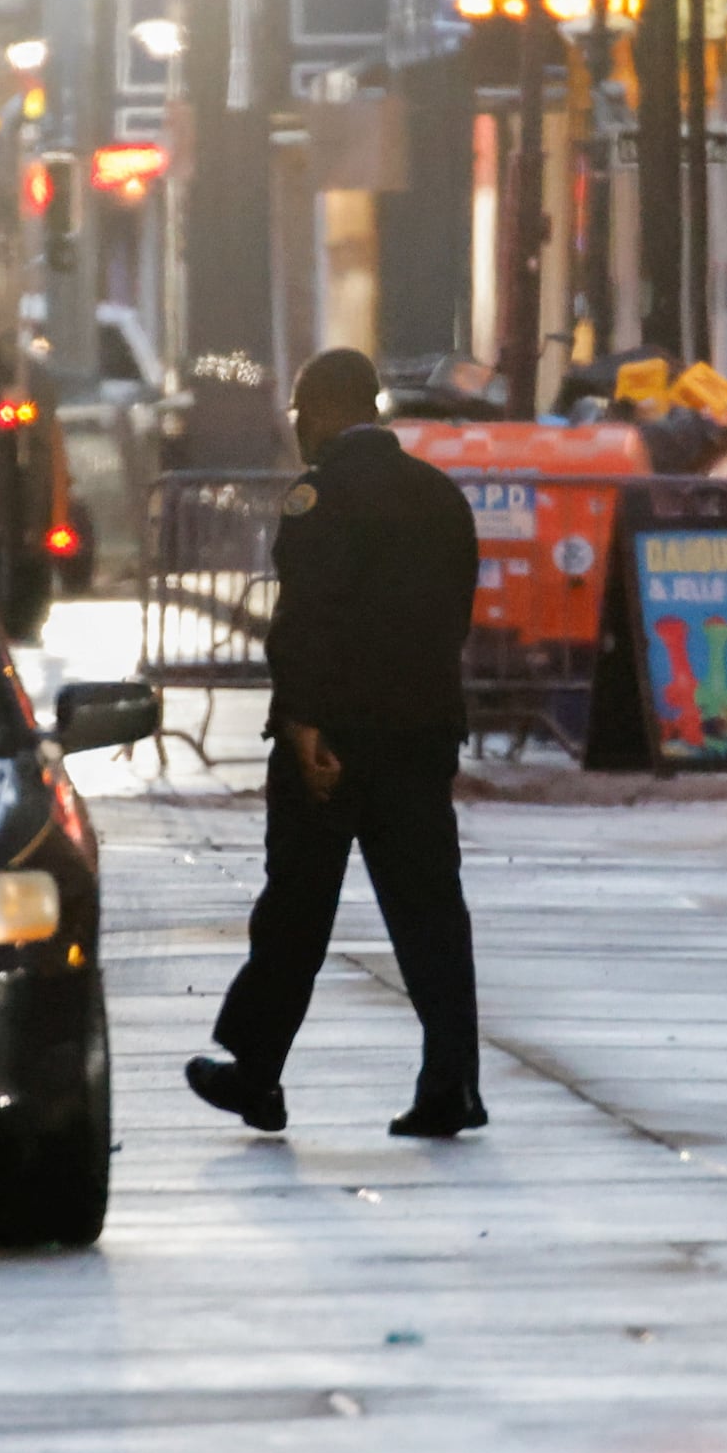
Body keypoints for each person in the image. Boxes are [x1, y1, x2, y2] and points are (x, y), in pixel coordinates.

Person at [189, 346, 486, 1141]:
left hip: (336, 742)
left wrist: (305, 725)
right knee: (430, 914)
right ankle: (451, 1082)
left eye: (296, 413)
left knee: (295, 910)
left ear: (320, 409)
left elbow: (307, 623)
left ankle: (256, 1072)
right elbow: (452, 617)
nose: (295, 430)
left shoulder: (318, 499)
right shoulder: (439, 497)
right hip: (421, 734)